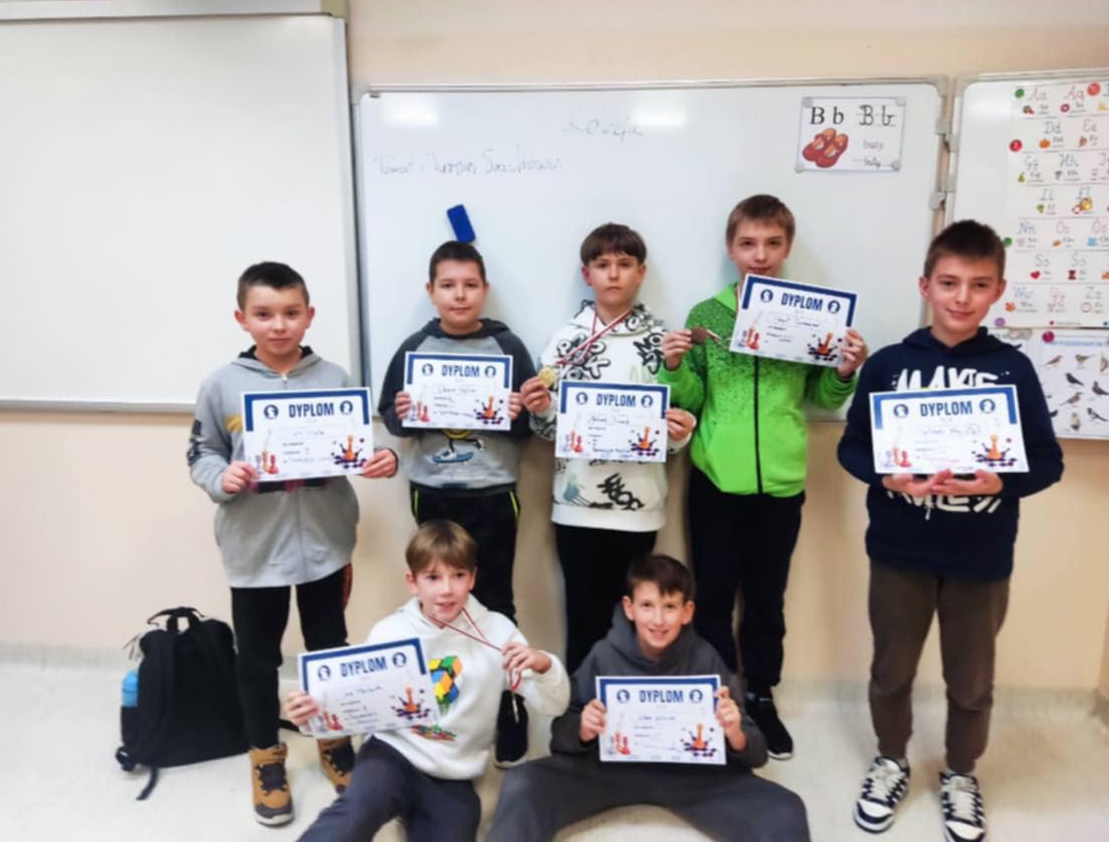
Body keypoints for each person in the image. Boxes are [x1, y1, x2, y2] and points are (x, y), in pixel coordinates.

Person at [837, 219, 1063, 842]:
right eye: (949, 282)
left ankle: (961, 773)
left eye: (979, 285)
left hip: (980, 557)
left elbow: (1048, 461)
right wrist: (887, 477)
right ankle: (891, 760)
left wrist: (999, 482)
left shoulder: (1013, 370)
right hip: (899, 551)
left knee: (971, 683)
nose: (962, 297)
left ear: (998, 292)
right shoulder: (889, 365)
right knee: (891, 671)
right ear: (925, 286)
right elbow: (852, 448)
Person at [187, 261, 398, 825]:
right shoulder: (222, 384)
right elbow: (201, 452)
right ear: (243, 319)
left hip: (326, 544)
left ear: (309, 316)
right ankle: (266, 756)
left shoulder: (334, 378)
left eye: (290, 313)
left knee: (328, 647)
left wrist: (382, 457)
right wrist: (222, 476)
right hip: (255, 550)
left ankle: (333, 740)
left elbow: (361, 445)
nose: (278, 325)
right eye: (264, 314)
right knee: (257, 657)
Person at [659, 194, 869, 759]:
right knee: (712, 595)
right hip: (716, 481)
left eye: (773, 243)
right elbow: (691, 399)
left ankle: (761, 695)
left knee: (767, 598)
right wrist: (673, 366)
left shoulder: (812, 315)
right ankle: (719, 692)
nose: (760, 255)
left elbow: (823, 396)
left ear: (787, 247)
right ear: (731, 249)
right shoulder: (706, 315)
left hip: (781, 483)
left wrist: (845, 370)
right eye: (748, 243)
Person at [486, 553, 810, 842]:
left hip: (693, 775)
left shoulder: (706, 660)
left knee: (785, 808)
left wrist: (735, 733)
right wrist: (583, 730)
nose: (658, 620)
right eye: (647, 606)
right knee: (522, 784)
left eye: (669, 607)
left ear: (687, 612)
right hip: (610, 770)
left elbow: (757, 753)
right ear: (629, 608)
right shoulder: (603, 655)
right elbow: (560, 735)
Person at [285, 520, 570, 842]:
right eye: (433, 577)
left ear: (472, 578)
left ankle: (414, 811)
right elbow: (353, 707)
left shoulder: (499, 633)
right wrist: (311, 715)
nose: (446, 589)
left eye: (458, 575)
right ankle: (394, 801)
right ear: (413, 582)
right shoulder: (389, 632)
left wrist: (545, 665)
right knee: (355, 813)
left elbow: (555, 704)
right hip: (392, 754)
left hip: (453, 773)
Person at [378, 241, 538, 763]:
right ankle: (441, 703)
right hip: (433, 493)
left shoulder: (508, 347)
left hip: (493, 493)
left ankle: (507, 706)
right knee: (438, 603)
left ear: (484, 289)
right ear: (431, 291)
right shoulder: (415, 347)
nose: (460, 295)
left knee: (495, 600)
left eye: (470, 285)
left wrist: (519, 412)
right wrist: (403, 412)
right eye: (448, 285)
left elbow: (529, 426)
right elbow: (392, 417)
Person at [520, 222, 696, 671]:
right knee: (582, 616)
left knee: (635, 621)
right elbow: (547, 431)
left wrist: (679, 434)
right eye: (602, 265)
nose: (613, 274)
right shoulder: (565, 340)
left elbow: (671, 432)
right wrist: (540, 408)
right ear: (587, 274)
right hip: (577, 504)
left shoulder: (663, 341)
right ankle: (581, 704)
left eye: (624, 264)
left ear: (641, 272)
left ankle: (626, 703)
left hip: (640, 505)